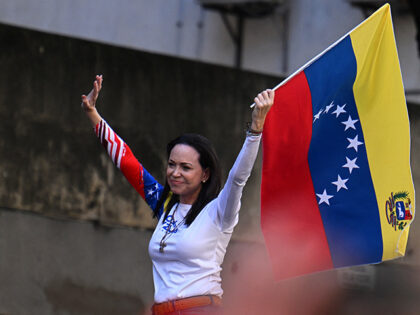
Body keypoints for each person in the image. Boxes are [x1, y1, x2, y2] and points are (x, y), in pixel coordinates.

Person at [81, 75, 274, 315]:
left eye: (186, 167)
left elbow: (238, 179)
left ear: (205, 174)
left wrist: (255, 129)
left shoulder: (219, 211)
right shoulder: (165, 204)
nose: (175, 173)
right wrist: (91, 112)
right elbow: (126, 161)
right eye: (172, 164)